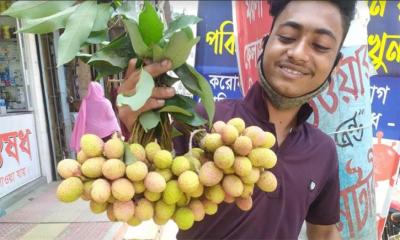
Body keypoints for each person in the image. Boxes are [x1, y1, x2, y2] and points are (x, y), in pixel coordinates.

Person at [117, 0, 356, 239]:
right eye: (286, 37)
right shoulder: (203, 120)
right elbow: (143, 188)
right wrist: (134, 125)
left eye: (320, 45)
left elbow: (324, 233)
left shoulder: (323, 151)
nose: (298, 53)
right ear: (264, 45)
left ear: (335, 66)